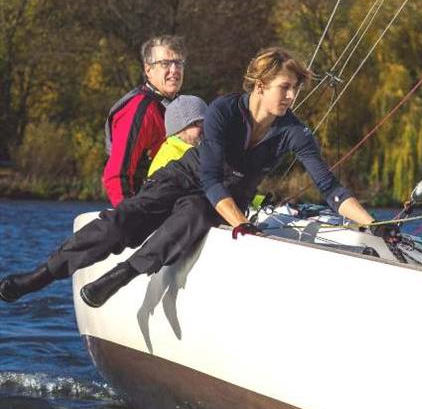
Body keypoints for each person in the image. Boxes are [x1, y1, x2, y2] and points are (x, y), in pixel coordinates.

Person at [0, 47, 376, 308]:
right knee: (124, 221)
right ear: (260, 85)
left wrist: (375, 225)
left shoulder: (294, 131)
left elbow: (329, 188)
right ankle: (40, 275)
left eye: (296, 89)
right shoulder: (223, 111)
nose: (292, 96)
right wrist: (242, 223)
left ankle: (123, 274)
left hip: (225, 197)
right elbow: (210, 177)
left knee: (195, 215)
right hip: (187, 176)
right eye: (285, 87)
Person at [102, 35, 186, 207]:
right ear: (148, 70)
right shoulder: (139, 109)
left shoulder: (178, 107)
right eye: (165, 64)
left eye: (178, 63)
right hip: (146, 207)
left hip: (175, 205)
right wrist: (129, 217)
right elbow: (117, 173)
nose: (174, 70)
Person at [147, 95, 207, 176]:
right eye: (197, 123)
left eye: (207, 122)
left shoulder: (197, 149)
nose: (205, 128)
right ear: (179, 130)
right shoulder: (172, 160)